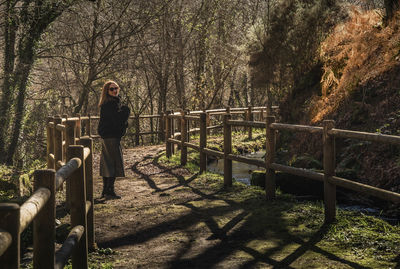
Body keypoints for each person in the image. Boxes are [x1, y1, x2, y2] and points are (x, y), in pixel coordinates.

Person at [98, 80, 130, 199]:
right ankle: (109, 191)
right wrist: (126, 111)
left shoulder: (109, 103)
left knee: (108, 163)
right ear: (107, 91)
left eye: (116, 88)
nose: (115, 90)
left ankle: (106, 190)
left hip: (108, 136)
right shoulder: (110, 104)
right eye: (112, 89)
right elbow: (118, 120)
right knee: (113, 163)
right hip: (111, 137)